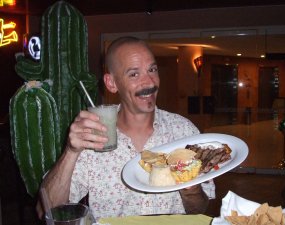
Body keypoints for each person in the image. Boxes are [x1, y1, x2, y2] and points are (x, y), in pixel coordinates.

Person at [37, 36, 214, 220]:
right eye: (134, 74)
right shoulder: (93, 136)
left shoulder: (185, 132)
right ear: (111, 83)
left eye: (152, 69)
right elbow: (46, 211)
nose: (150, 83)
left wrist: (190, 188)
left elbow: (199, 209)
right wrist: (71, 151)